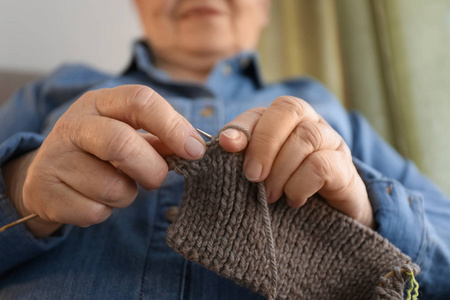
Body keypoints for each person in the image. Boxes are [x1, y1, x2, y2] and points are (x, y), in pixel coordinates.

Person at [0, 0, 449, 298]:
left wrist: (367, 216)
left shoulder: (333, 113)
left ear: (265, 7)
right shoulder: (54, 92)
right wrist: (21, 188)